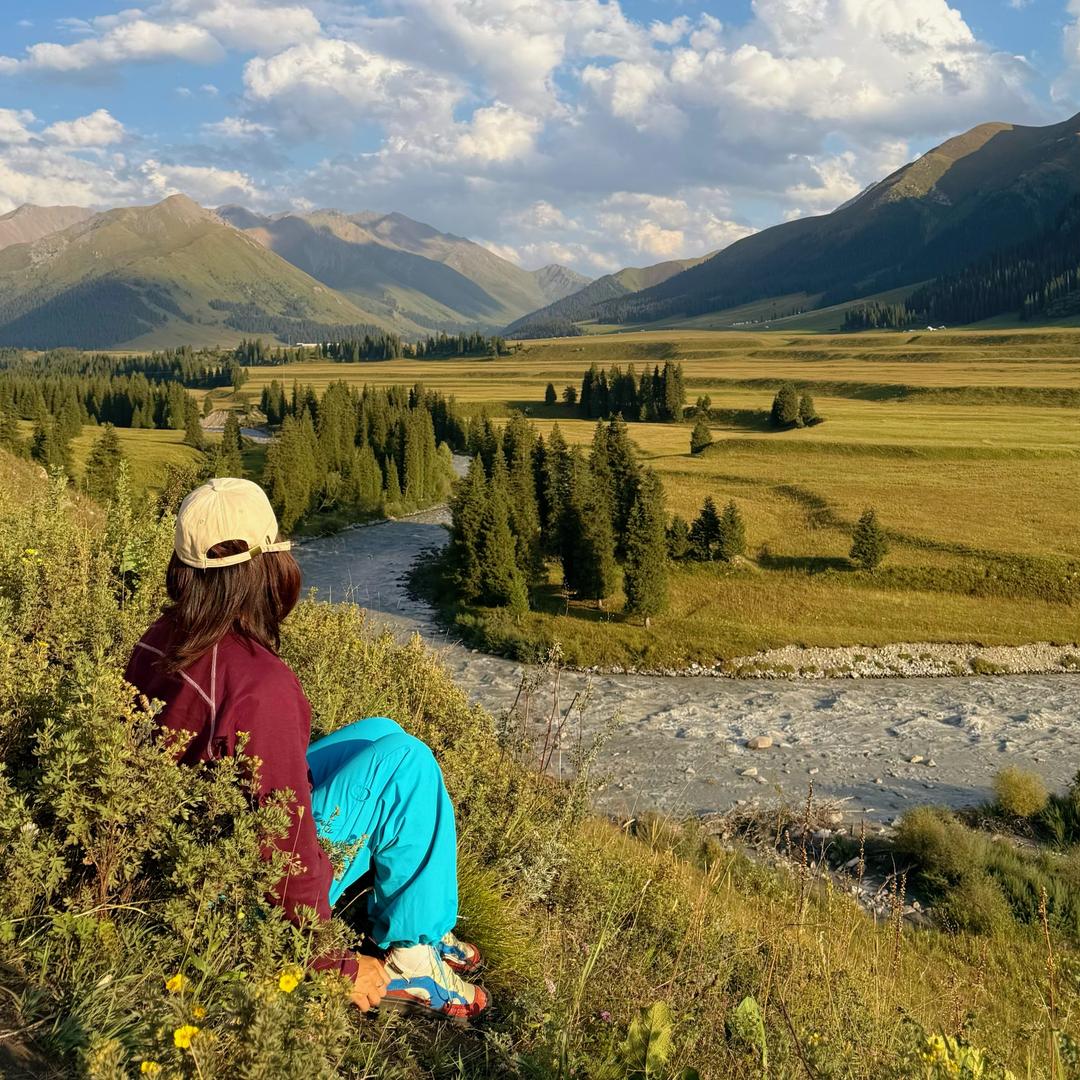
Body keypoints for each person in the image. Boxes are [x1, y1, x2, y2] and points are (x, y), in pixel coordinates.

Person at [124, 477, 489, 1020]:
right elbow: (281, 845)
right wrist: (331, 964)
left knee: (380, 732)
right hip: (229, 882)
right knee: (406, 765)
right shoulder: (259, 684)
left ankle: (421, 912)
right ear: (264, 569)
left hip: (193, 835)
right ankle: (413, 952)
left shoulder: (165, 633)